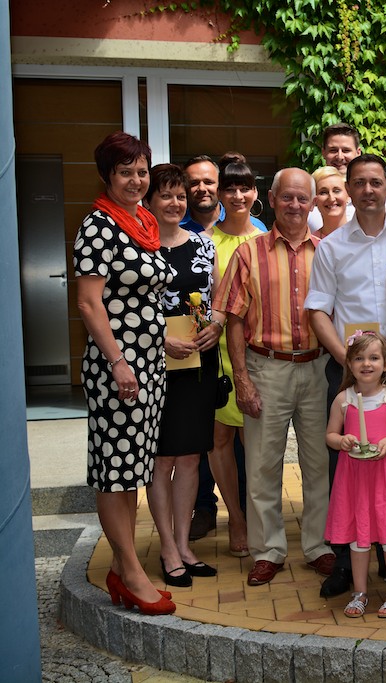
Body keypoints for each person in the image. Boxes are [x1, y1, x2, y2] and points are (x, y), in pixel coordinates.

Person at [305, 154, 386, 597]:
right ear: (349, 190)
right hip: (349, 367)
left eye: (376, 182)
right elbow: (318, 310)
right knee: (346, 459)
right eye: (360, 183)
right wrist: (347, 364)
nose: (368, 190)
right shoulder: (331, 247)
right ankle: (343, 561)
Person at [214, 167, 335, 586]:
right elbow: (233, 320)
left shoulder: (328, 253)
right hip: (266, 368)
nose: (295, 205)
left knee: (319, 465)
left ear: (313, 202)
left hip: (318, 369)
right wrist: (242, 380)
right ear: (272, 198)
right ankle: (267, 551)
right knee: (263, 466)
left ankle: (319, 546)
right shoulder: (248, 254)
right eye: (287, 197)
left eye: (303, 198)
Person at [74, 132, 175, 615]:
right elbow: (89, 303)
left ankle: (121, 563)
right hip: (118, 367)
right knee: (116, 470)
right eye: (125, 172)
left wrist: (159, 343)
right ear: (106, 176)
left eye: (141, 171)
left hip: (147, 363)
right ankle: (130, 573)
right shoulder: (98, 226)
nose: (136, 180)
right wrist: (118, 362)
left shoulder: (142, 221)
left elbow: (141, 299)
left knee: (134, 465)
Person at [145, 163, 221, 588]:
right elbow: (125, 308)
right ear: (149, 200)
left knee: (191, 456)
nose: (175, 203)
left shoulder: (204, 244)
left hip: (197, 361)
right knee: (162, 459)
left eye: (179, 195)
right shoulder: (137, 247)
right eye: (166, 195)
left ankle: (183, 545)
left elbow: (216, 298)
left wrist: (216, 326)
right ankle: (167, 549)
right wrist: (161, 339)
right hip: (156, 362)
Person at [183, 153, 265, 542]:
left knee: (255, 442)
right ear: (221, 194)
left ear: (255, 193)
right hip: (216, 354)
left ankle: (257, 517)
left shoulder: (266, 238)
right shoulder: (203, 242)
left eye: (243, 188)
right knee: (218, 439)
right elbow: (197, 298)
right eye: (229, 188)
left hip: (257, 354)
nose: (236, 196)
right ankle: (235, 518)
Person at [324, 332, 386, 618]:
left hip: (385, 475)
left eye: (374, 358)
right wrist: (341, 440)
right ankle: (360, 592)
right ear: (349, 364)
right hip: (354, 478)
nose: (366, 364)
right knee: (358, 535)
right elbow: (330, 435)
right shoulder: (343, 400)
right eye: (359, 358)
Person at [310, 123, 386, 231]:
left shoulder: (380, 198)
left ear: (358, 152)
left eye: (346, 150)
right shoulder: (309, 197)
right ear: (323, 153)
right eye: (333, 150)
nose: (340, 157)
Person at [311, 166, 349, 240]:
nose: (331, 199)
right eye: (323, 192)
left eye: (336, 191)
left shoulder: (364, 237)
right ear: (314, 200)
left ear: (348, 194)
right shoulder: (310, 244)